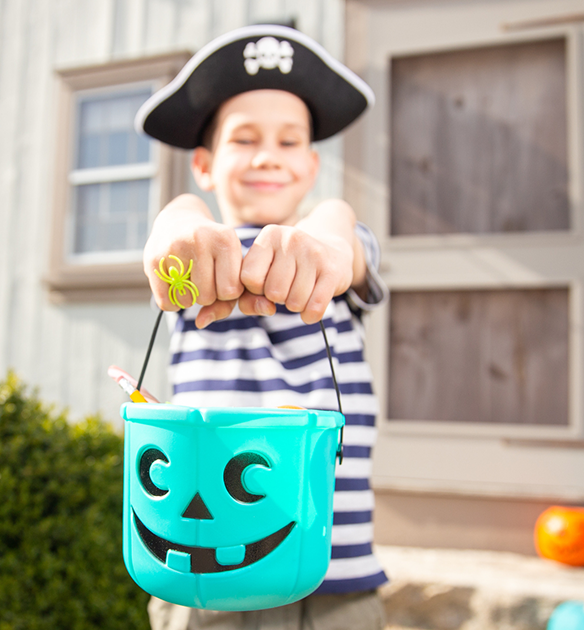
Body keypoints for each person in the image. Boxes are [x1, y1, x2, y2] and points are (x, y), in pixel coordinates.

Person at [134, 24, 389, 630]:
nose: (267, 154)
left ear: (311, 164)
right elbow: (177, 226)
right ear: (203, 164)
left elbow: (341, 234)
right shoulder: (193, 256)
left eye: (288, 140)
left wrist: (326, 238)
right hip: (208, 564)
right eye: (243, 139)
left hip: (336, 571)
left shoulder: (332, 251)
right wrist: (176, 223)